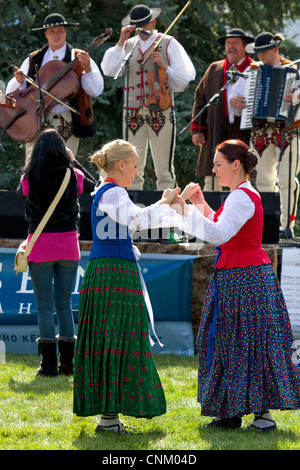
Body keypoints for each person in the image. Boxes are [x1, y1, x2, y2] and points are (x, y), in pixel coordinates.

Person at [173, 139, 300, 431]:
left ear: (236, 165)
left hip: (245, 279)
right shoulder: (238, 195)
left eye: (218, 164)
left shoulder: (242, 197)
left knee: (249, 342)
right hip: (238, 276)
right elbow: (220, 224)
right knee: (236, 342)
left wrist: (185, 213)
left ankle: (258, 414)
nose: (214, 169)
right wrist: (199, 205)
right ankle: (234, 411)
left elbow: (218, 234)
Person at [73, 139, 180, 433]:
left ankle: (110, 417)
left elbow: (134, 223)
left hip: (113, 272)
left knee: (113, 339)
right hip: (113, 274)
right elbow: (136, 219)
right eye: (134, 166)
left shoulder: (110, 192)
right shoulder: (114, 192)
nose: (136, 172)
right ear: (120, 165)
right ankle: (108, 419)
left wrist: (169, 206)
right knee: (116, 339)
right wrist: (165, 201)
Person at [17, 128, 97, 377]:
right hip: (68, 244)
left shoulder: (31, 176)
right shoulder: (72, 175)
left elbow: (22, 193)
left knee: (44, 306)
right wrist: (74, 161)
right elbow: (94, 187)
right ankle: (68, 365)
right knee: (64, 305)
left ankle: (48, 365)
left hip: (40, 243)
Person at [101, 4, 196, 190]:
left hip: (161, 110)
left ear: (153, 22)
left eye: (144, 25)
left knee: (164, 169)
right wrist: (121, 41)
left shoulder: (168, 42)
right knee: (131, 167)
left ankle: (168, 206)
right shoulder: (127, 46)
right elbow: (110, 70)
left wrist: (164, 66)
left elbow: (185, 79)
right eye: (137, 26)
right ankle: (133, 205)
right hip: (133, 112)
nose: (141, 29)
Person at [6, 13, 104, 160]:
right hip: (37, 120)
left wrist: (88, 69)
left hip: (68, 121)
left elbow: (96, 90)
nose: (56, 35)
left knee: (65, 167)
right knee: (34, 168)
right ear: (45, 34)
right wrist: (19, 81)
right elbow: (12, 92)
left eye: (60, 31)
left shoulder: (78, 56)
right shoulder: (34, 58)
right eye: (52, 31)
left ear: (66, 32)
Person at [247, 32, 300, 238]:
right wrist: (242, 103)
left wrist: (294, 98)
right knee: (263, 181)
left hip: (288, 130)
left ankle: (287, 227)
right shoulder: (253, 71)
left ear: (275, 49)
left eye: (264, 51)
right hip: (261, 130)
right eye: (258, 52)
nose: (260, 56)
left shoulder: (294, 70)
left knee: (288, 181)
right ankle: (265, 227)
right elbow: (246, 98)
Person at [191, 28, 254, 191]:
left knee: (241, 177)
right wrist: (197, 129)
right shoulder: (215, 69)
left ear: (245, 46)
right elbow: (201, 98)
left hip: (243, 131)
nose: (231, 47)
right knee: (212, 182)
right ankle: (209, 216)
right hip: (216, 130)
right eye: (228, 43)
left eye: (235, 43)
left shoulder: (255, 69)